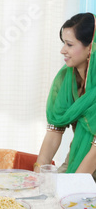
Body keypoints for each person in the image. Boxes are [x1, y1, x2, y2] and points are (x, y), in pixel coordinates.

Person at [35, 13, 96, 177]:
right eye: (63, 43)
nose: (63, 50)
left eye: (69, 44)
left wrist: (74, 184)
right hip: (79, 155)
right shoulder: (65, 79)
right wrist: (38, 174)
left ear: (91, 47)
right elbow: (54, 130)